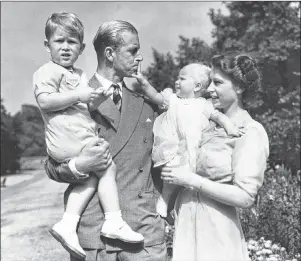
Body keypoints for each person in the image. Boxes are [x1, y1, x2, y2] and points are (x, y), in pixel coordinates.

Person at [44, 19, 167, 261]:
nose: (140, 57)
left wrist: (160, 208)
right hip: (94, 235)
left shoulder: (147, 101)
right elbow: (50, 165)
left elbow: (169, 153)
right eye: (133, 50)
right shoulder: (69, 97)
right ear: (110, 53)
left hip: (143, 234)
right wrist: (78, 166)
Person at [160, 53, 270, 261]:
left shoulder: (250, 131)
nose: (209, 89)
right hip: (185, 231)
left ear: (239, 87)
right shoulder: (204, 125)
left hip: (217, 237)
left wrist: (192, 180)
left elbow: (245, 196)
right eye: (210, 82)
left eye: (218, 83)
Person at [132, 63, 244, 218]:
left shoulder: (203, 104)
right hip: (174, 147)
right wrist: (144, 83)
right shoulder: (173, 100)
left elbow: (219, 117)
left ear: (197, 86)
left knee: (190, 181)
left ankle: (179, 207)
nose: (177, 82)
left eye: (182, 79)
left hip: (195, 148)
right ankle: (164, 200)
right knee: (172, 177)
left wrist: (229, 126)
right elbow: (156, 97)